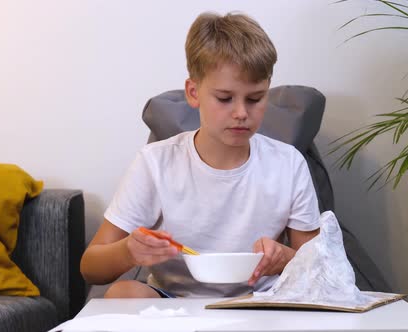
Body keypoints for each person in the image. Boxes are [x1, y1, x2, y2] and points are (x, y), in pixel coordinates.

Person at [80, 12, 321, 298]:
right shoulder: (156, 163)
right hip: (173, 306)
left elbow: (320, 269)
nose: (242, 113)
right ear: (193, 93)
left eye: (255, 98)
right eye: (224, 98)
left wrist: (285, 259)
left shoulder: (288, 163)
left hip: (262, 302)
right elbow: (90, 268)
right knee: (122, 293)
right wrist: (128, 251)